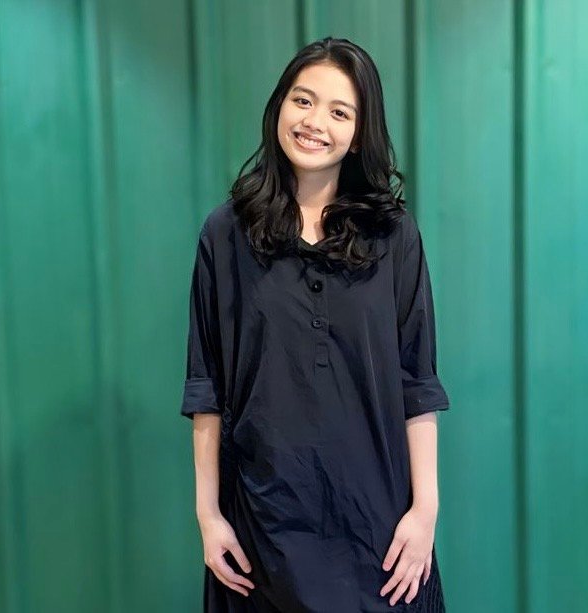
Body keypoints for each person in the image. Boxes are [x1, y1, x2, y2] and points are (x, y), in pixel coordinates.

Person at [181, 36, 450, 612]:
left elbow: (417, 382)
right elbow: (207, 388)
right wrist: (208, 515)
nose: (314, 122)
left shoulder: (394, 236)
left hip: (379, 534)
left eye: (339, 112)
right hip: (261, 533)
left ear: (360, 133)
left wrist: (424, 510)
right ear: (279, 105)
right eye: (303, 101)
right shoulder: (224, 234)